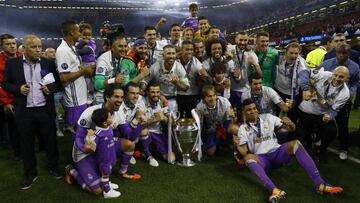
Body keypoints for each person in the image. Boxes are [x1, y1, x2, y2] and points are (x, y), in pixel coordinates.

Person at [230, 99, 343, 202]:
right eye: (249, 110)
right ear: (244, 113)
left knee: (296, 144)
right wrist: (237, 145)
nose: (253, 111)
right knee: (248, 159)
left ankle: (320, 184)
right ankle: (274, 190)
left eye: (254, 108)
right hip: (262, 160)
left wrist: (290, 124)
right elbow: (244, 151)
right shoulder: (242, 129)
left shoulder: (268, 117)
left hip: (277, 153)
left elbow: (289, 128)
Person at [2, 34, 62, 189]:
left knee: (50, 141)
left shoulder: (48, 63)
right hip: (24, 111)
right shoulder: (12, 64)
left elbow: (57, 83)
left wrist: (51, 89)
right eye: (34, 47)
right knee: (26, 144)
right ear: (25, 48)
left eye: (39, 47)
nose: (38, 50)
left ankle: (53, 167)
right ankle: (30, 173)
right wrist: (18, 89)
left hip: (44, 110)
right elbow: (5, 84)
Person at [298, 67, 350, 162]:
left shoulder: (345, 94)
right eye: (335, 75)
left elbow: (334, 110)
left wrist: (330, 115)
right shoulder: (325, 75)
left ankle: (321, 150)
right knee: (301, 134)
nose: (337, 78)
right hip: (307, 109)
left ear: (347, 78)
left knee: (332, 131)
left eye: (341, 77)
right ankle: (310, 141)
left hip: (322, 113)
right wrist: (305, 89)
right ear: (332, 73)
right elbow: (304, 72)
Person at [317, 44, 359, 160]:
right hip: (327, 101)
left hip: (344, 102)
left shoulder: (354, 67)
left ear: (348, 53)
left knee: (343, 125)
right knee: (325, 121)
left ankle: (343, 148)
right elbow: (316, 74)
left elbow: (356, 82)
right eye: (339, 53)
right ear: (336, 52)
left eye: (344, 53)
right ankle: (321, 139)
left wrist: (350, 93)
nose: (341, 55)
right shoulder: (327, 63)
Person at [56, 20, 94, 131]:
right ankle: (77, 148)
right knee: (79, 129)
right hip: (74, 98)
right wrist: (84, 71)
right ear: (72, 33)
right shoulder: (63, 50)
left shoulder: (71, 47)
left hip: (80, 96)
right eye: (78, 31)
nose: (81, 34)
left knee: (83, 128)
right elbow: (64, 77)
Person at [142, 45, 190, 113]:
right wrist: (142, 91)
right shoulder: (155, 67)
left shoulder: (179, 68)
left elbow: (186, 87)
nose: (171, 56)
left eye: (173, 53)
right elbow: (144, 82)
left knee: (171, 120)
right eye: (168, 53)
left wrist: (177, 83)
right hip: (156, 97)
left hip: (172, 98)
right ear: (163, 55)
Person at [139, 82, 175, 167]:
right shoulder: (141, 102)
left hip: (158, 134)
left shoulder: (162, 102)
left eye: (158, 92)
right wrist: (154, 120)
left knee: (171, 158)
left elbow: (172, 122)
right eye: (153, 92)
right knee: (143, 131)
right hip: (145, 134)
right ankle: (149, 156)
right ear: (147, 92)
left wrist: (165, 118)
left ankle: (145, 151)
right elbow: (139, 125)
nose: (156, 95)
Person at [195, 85, 235, 156]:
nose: (212, 98)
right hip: (211, 130)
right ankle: (210, 145)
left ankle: (228, 142)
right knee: (210, 152)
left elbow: (232, 118)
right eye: (209, 96)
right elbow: (199, 126)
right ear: (204, 98)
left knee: (234, 128)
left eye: (214, 95)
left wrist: (233, 116)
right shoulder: (199, 107)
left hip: (224, 126)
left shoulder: (224, 102)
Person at [90, 108, 121, 198]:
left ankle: (106, 183)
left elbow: (110, 134)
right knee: (105, 173)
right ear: (104, 123)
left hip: (110, 155)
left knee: (108, 171)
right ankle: (107, 191)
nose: (112, 118)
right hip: (103, 159)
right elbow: (92, 148)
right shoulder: (98, 134)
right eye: (110, 117)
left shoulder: (108, 127)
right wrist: (90, 138)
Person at [176, 40, 211, 118]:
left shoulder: (197, 63)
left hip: (193, 95)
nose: (189, 52)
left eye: (191, 50)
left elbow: (208, 81)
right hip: (178, 94)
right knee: (178, 118)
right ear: (181, 50)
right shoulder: (176, 61)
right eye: (187, 49)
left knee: (191, 118)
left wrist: (205, 76)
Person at [0, 34, 21, 160]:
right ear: (2, 46)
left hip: (23, 97)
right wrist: (6, 103)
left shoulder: (22, 57)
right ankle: (17, 152)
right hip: (7, 101)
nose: (12, 46)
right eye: (8, 44)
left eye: (13, 43)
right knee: (13, 128)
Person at [228, 31, 261, 112]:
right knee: (228, 113)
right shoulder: (229, 48)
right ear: (236, 39)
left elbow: (260, 74)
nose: (242, 42)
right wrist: (227, 55)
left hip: (243, 90)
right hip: (228, 89)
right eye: (240, 40)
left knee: (241, 113)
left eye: (245, 40)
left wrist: (255, 64)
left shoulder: (251, 53)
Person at [274, 42, 307, 122]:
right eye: (291, 53)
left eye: (296, 53)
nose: (293, 56)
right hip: (278, 90)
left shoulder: (301, 65)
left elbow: (304, 77)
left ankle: (292, 132)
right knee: (277, 114)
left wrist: (306, 89)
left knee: (292, 116)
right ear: (286, 52)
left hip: (291, 94)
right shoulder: (279, 57)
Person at [94, 36, 127, 104]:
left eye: (125, 46)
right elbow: (97, 84)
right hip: (102, 97)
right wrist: (114, 80)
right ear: (113, 48)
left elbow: (126, 79)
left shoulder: (124, 59)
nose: (124, 49)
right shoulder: (103, 60)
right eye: (120, 46)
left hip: (116, 95)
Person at [76, 23, 97, 105]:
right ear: (80, 34)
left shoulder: (92, 42)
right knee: (85, 82)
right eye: (84, 35)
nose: (87, 37)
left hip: (91, 64)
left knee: (91, 81)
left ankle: (91, 95)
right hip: (83, 64)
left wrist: (80, 47)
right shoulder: (78, 42)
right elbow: (77, 50)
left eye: (89, 35)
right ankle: (86, 95)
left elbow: (85, 50)